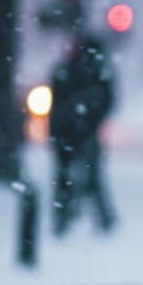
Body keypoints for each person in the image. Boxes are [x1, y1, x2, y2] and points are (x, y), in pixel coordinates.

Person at [49, 31, 117, 236]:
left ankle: (65, 218)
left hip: (71, 131)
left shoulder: (70, 70)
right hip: (76, 131)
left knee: (73, 176)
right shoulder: (95, 72)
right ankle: (96, 218)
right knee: (87, 176)